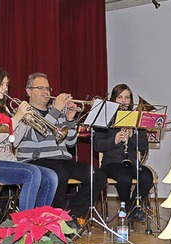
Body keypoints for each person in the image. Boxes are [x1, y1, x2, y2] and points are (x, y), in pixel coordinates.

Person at [15, 73, 106, 228]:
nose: (46, 92)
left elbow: (70, 142)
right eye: (40, 88)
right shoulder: (25, 112)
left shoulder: (56, 112)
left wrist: (70, 119)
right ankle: (53, 222)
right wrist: (56, 111)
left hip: (61, 159)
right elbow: (37, 136)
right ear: (29, 91)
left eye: (48, 88)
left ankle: (71, 216)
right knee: (59, 175)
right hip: (36, 160)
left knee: (98, 175)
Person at [0, 66, 57, 211]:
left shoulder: (3, 108)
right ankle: (25, 223)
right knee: (32, 173)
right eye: (3, 84)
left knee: (51, 176)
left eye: (6, 85)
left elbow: (13, 141)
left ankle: (40, 221)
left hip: (8, 160)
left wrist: (24, 122)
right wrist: (16, 118)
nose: (6, 89)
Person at [94, 84, 153, 226]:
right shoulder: (105, 118)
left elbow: (144, 146)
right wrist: (114, 140)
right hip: (111, 164)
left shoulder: (136, 119)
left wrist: (133, 136)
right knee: (124, 178)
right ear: (113, 99)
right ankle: (131, 208)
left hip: (132, 162)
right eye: (119, 97)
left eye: (127, 97)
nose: (123, 101)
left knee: (146, 176)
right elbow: (97, 145)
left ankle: (130, 208)